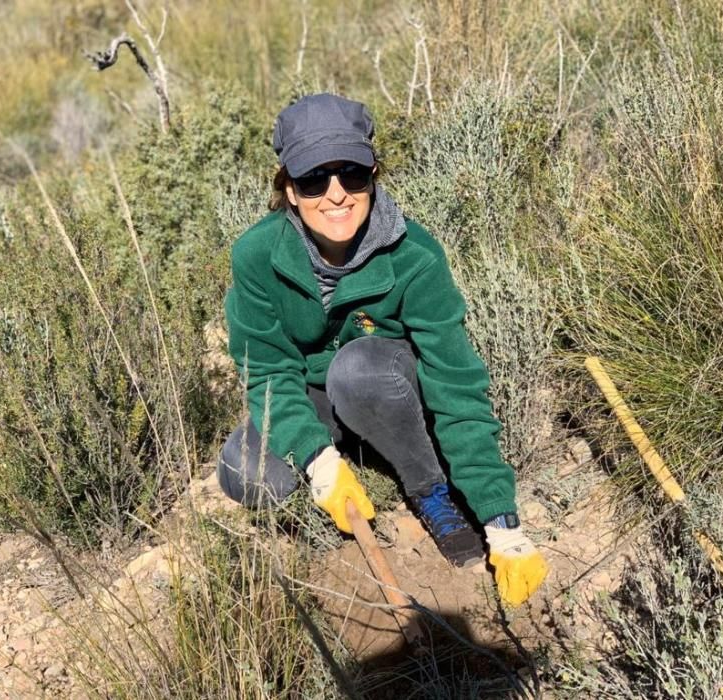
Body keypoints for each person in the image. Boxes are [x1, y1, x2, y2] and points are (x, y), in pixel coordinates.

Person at [217, 93, 548, 606]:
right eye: (312, 179)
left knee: (359, 371)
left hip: (382, 381)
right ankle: (340, 462)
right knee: (244, 469)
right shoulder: (256, 255)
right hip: (312, 397)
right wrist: (316, 457)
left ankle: (427, 486)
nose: (335, 195)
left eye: (351, 173)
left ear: (374, 173)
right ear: (288, 189)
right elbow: (267, 369)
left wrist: (501, 522)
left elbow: (455, 382)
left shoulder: (414, 255)